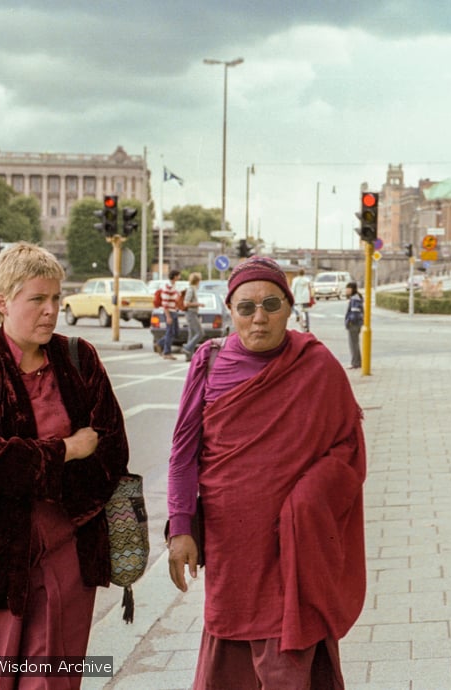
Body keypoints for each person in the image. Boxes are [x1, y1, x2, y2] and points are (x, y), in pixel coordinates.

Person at [166, 255, 366, 689]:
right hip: (230, 544)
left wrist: (308, 498)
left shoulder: (316, 364)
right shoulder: (210, 360)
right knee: (229, 644)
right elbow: (183, 452)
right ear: (229, 311)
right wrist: (181, 527)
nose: (260, 318)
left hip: (293, 547)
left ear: (289, 308)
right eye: (247, 307)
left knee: (287, 657)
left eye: (272, 305)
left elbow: (348, 448)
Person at [0, 242, 129, 689]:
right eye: (37, 299)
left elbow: (112, 450)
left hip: (69, 549)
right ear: (3, 302)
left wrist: (36, 461)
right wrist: (66, 450)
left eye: (55, 300)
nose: (50, 311)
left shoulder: (78, 359)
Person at [155, 269, 181, 360]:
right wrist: (168, 316)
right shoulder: (167, 287)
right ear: (175, 276)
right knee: (170, 332)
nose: (179, 277)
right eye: (178, 275)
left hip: (174, 311)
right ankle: (167, 352)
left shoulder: (173, 286)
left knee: (175, 332)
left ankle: (160, 343)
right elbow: (165, 303)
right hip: (169, 312)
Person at [183, 272, 204, 361]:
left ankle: (189, 356)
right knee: (200, 333)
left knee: (191, 334)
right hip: (191, 313)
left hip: (193, 313)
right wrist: (198, 304)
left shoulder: (194, 289)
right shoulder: (191, 289)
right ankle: (187, 348)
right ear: (197, 281)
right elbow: (186, 303)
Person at [344, 281, 363, 369]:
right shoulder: (356, 297)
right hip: (356, 323)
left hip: (354, 324)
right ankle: (358, 362)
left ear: (352, 289)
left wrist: (350, 321)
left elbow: (355, 312)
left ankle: (355, 363)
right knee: (355, 343)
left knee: (353, 344)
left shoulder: (355, 299)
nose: (346, 290)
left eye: (348, 289)